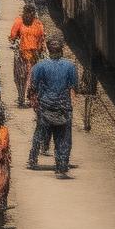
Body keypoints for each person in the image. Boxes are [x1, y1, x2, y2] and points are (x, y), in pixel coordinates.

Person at [27, 33, 79, 178]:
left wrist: (33, 101)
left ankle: (32, 158)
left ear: (48, 50)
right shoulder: (70, 66)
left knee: (39, 133)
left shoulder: (40, 66)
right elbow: (75, 87)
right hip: (64, 108)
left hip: (45, 107)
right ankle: (61, 167)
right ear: (62, 49)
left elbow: (33, 87)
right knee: (63, 139)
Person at [9, 4, 45, 107]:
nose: (29, 15)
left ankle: (27, 98)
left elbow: (42, 39)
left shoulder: (36, 23)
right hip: (24, 55)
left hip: (31, 56)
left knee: (27, 77)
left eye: (31, 13)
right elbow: (12, 37)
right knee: (24, 77)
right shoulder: (21, 22)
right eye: (28, 12)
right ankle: (24, 98)